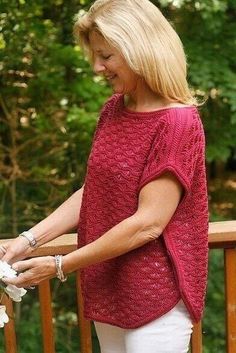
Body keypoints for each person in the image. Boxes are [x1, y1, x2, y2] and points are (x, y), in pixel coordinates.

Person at [0, 0, 209, 352]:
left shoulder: (178, 123)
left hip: (156, 298)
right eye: (95, 56)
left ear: (139, 49)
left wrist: (59, 265)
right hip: (110, 289)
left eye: (106, 56)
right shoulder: (114, 109)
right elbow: (93, 192)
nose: (98, 67)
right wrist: (26, 241)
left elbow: (148, 223)